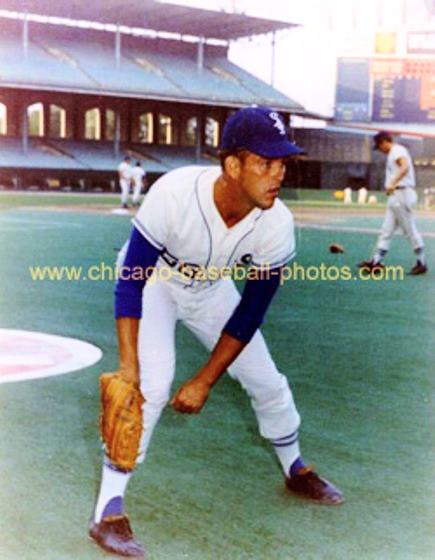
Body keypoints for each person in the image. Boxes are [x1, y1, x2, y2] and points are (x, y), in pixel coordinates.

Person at [89, 106, 344, 558]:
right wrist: (128, 365)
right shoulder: (176, 193)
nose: (278, 174)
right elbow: (131, 281)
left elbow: (251, 311)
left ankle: (296, 468)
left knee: (266, 380)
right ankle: (107, 511)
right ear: (232, 165)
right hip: (155, 281)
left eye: (282, 163)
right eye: (266, 162)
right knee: (150, 385)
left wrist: (205, 380)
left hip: (210, 287)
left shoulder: (277, 223)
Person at [358, 131, 427, 275]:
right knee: (386, 230)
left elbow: (405, 166)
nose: (380, 149)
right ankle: (376, 262)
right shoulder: (393, 152)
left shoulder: (397, 150)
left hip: (402, 193)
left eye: (379, 145)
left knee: (409, 229)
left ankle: (422, 262)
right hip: (396, 195)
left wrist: (393, 182)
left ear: (384, 141)